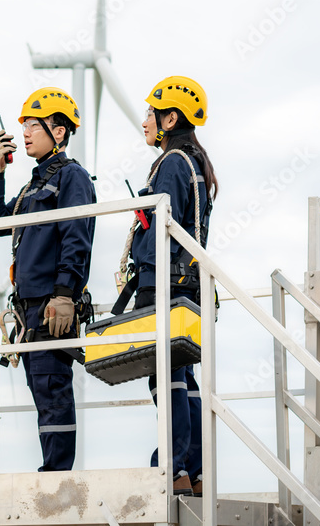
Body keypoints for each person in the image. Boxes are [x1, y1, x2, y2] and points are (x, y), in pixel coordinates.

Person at [0, 87, 96, 472]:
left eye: (34, 125)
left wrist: (65, 294)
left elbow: (76, 237)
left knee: (52, 390)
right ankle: (53, 474)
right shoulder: (33, 186)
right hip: (29, 310)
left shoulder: (72, 178)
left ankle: (57, 477)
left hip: (51, 306)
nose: (26, 132)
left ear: (59, 132)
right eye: (24, 126)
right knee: (42, 392)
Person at [123, 76, 218, 496]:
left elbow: (163, 226)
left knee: (167, 376)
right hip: (189, 284)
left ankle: (172, 467)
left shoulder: (171, 163)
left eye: (150, 113)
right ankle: (192, 472)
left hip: (163, 280)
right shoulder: (196, 164)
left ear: (170, 117)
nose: (144, 120)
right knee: (184, 376)